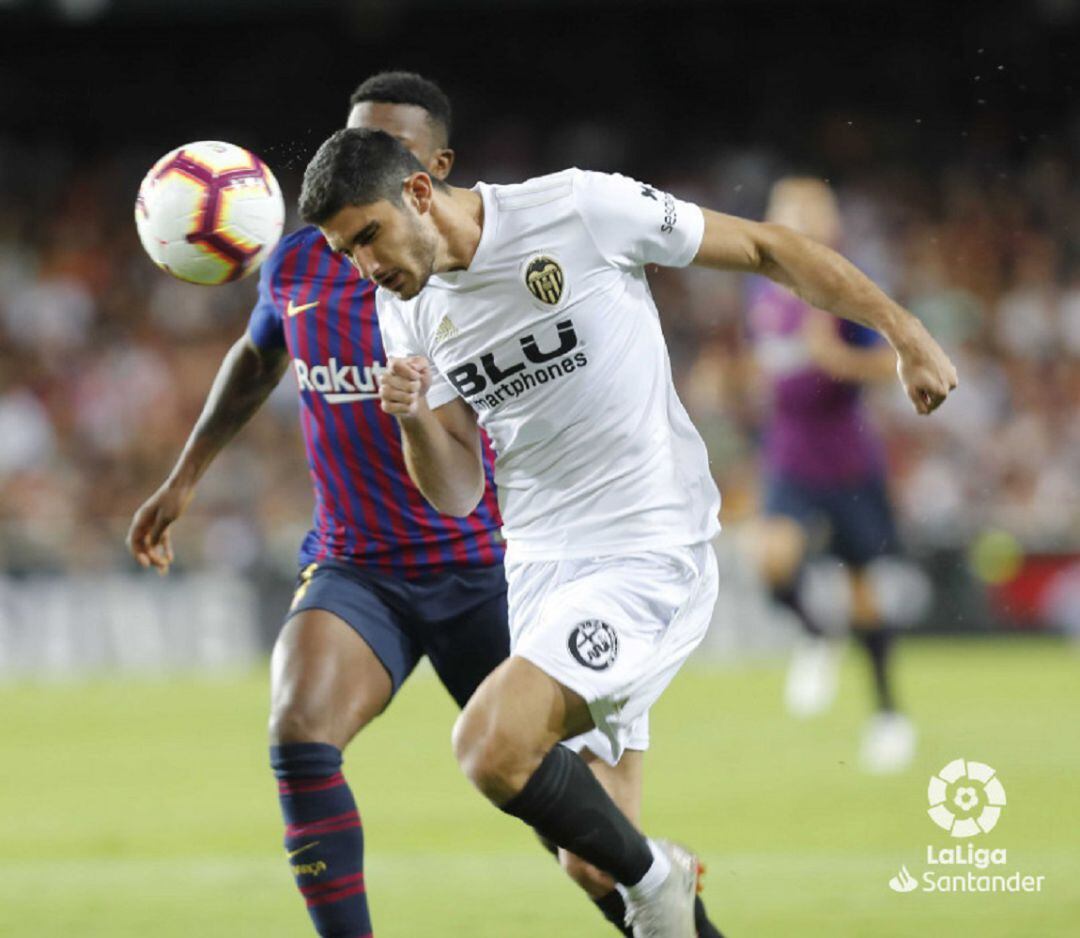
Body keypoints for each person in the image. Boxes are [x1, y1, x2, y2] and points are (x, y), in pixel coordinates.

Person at [297, 127, 956, 937]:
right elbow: (459, 491)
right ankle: (652, 884)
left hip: (648, 549)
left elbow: (763, 246)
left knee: (491, 747)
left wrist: (904, 330)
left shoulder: (578, 209)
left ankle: (657, 875)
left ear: (421, 194)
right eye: (345, 252)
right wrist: (413, 424)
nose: (365, 265)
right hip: (540, 571)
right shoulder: (404, 311)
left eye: (368, 236)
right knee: (589, 860)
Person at [128, 73, 716, 938]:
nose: (360, 169)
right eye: (351, 143)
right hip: (359, 568)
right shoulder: (301, 264)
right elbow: (259, 360)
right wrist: (183, 478)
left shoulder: (467, 276)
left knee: (592, 853)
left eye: (390, 154)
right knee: (298, 733)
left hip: (496, 572)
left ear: (432, 172)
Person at [741, 177, 915, 773]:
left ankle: (889, 715)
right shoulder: (762, 290)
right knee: (771, 560)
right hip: (790, 452)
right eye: (788, 214)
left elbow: (891, 355)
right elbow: (769, 365)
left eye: (811, 216)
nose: (799, 227)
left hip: (845, 456)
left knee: (864, 591)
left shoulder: (847, 286)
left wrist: (837, 358)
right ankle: (816, 633)